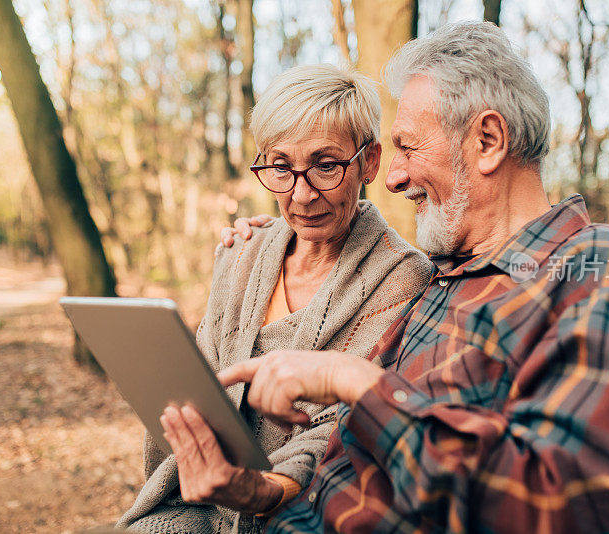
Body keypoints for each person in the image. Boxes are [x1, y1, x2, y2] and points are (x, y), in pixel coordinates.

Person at [207, 21, 609, 532]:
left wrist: (359, 384)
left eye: (408, 148)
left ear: (487, 140)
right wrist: (265, 241)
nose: (392, 176)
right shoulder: (447, 279)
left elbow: (563, 508)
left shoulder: (596, 269)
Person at [116, 64, 433, 533]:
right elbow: (199, 381)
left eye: (326, 166)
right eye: (281, 167)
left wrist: (259, 488)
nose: (301, 195)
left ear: (369, 162)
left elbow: (341, 429)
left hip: (294, 513)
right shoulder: (242, 252)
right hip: (196, 500)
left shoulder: (403, 277)